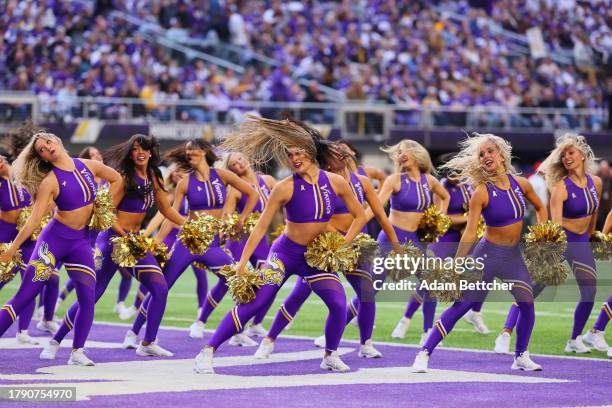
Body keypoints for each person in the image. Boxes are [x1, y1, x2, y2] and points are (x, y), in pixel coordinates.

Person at [193, 116, 367, 374]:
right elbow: (261, 226)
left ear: (311, 153)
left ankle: (330, 355)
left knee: (338, 304)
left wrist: (341, 244)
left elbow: (360, 216)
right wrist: (242, 264)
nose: (295, 158)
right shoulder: (284, 188)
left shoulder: (336, 182)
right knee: (257, 302)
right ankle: (207, 351)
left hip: (314, 257)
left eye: (299, 152)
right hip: (284, 253)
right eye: (290, 154)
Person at [42, 134, 186, 360]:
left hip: (134, 242)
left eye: (144, 149)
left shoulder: (155, 177)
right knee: (91, 296)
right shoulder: (124, 177)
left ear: (150, 152)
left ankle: (147, 342)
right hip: (111, 241)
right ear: (130, 153)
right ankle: (56, 340)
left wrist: (188, 224)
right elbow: (106, 211)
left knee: (159, 288)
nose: (140, 152)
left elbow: (166, 210)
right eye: (135, 149)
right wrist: (122, 234)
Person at [411, 133, 547, 372]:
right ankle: (424, 352)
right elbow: (470, 233)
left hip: (513, 257)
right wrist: (456, 264)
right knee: (463, 305)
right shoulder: (481, 193)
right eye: (481, 154)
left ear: (502, 154)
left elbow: (540, 207)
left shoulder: (521, 184)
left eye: (490, 151)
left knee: (526, 303)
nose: (486, 156)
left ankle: (521, 356)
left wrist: (543, 235)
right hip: (487, 255)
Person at [254, 141, 401, 359]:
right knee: (299, 293)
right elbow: (316, 218)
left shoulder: (361, 182)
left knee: (366, 291)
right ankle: (270, 339)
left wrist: (396, 246)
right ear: (326, 159)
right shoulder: (325, 181)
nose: (341, 152)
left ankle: (366, 343)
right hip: (322, 245)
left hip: (349, 244)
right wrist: (334, 239)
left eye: (344, 149)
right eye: (335, 151)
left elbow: (381, 215)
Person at [0, 132, 121, 366]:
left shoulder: (88, 165)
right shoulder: (50, 181)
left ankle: (77, 352)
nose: (47, 148)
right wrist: (12, 248)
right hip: (52, 242)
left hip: (81, 243)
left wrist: (104, 204)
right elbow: (34, 221)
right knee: (24, 296)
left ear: (58, 140)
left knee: (88, 297)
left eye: (48, 142)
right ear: (43, 158)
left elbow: (116, 179)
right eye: (41, 150)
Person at [124, 138, 258, 348]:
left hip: (213, 244)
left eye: (192, 149)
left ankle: (235, 331)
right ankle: (133, 333)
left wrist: (241, 219)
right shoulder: (185, 182)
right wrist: (158, 242)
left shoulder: (222, 175)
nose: (189, 153)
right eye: (186, 151)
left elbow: (252, 193)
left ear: (204, 151)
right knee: (161, 287)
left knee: (240, 281)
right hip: (188, 242)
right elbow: (171, 214)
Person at [495, 134, 603, 354]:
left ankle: (574, 339)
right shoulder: (561, 188)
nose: (566, 158)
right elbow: (557, 224)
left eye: (570, 153)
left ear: (582, 155)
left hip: (582, 242)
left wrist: (593, 239)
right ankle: (505, 333)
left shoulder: (597, 183)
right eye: (563, 155)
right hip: (562, 240)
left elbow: (594, 213)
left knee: (590, 291)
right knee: (531, 289)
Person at [375, 140, 450, 340]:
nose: (401, 154)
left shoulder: (430, 181)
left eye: (405, 150)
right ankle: (338, 331)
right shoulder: (395, 180)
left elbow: (445, 197)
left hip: (417, 241)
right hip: (391, 239)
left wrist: (437, 221)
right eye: (398, 152)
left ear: (417, 154)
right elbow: (377, 205)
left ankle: (427, 333)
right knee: (371, 287)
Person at [220, 152, 277, 337]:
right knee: (230, 283)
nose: (240, 163)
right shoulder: (236, 189)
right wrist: (233, 223)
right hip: (239, 240)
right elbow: (227, 214)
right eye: (234, 164)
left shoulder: (268, 180)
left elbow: (287, 200)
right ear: (231, 171)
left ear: (248, 159)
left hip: (261, 241)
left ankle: (256, 323)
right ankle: (201, 321)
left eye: (241, 158)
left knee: (270, 280)